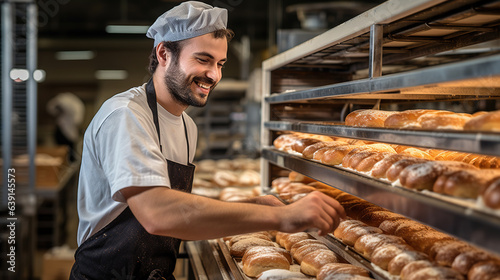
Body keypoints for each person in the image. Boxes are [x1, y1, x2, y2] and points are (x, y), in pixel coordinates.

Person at [70, 2, 346, 279]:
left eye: (220, 63)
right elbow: (157, 213)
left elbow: (179, 211)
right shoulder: (127, 116)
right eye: (203, 60)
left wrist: (255, 207)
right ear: (164, 53)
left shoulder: (187, 126)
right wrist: (281, 218)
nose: (214, 75)